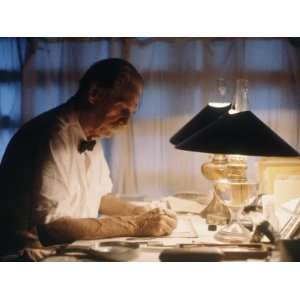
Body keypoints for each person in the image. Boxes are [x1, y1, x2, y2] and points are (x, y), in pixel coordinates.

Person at [0, 58, 177, 260]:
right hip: (32, 257)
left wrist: (141, 211)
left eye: (131, 113)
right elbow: (51, 229)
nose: (127, 121)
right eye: (122, 109)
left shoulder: (90, 133)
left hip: (69, 249)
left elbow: (100, 197)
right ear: (94, 94)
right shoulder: (52, 136)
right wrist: (137, 224)